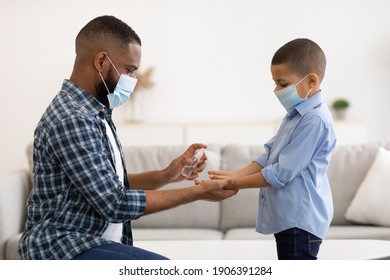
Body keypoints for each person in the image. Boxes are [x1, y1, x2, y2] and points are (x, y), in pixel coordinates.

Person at [18, 15, 237, 260]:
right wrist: (198, 192)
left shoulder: (96, 112)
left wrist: (167, 175)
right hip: (63, 247)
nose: (132, 80)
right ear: (101, 61)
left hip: (89, 242)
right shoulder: (73, 118)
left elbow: (108, 186)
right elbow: (115, 203)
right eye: (129, 70)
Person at [208, 38, 336, 260]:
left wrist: (233, 183)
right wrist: (233, 174)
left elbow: (281, 173)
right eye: (275, 83)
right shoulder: (295, 114)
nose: (276, 90)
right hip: (289, 220)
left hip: (301, 222)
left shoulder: (315, 120)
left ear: (311, 81)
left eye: (283, 84)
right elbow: (269, 154)